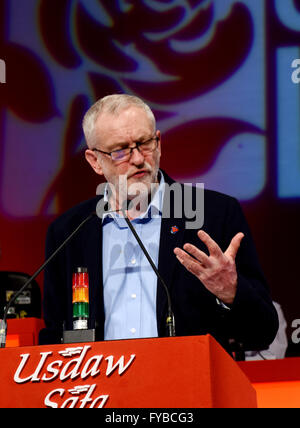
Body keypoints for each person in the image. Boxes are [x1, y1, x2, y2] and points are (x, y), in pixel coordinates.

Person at [40, 94, 278, 354]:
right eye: (120, 151)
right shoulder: (69, 231)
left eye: (144, 143)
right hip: (101, 392)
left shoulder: (214, 215)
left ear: (159, 143)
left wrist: (231, 291)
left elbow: (262, 331)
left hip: (189, 387)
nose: (139, 159)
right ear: (95, 161)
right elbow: (55, 337)